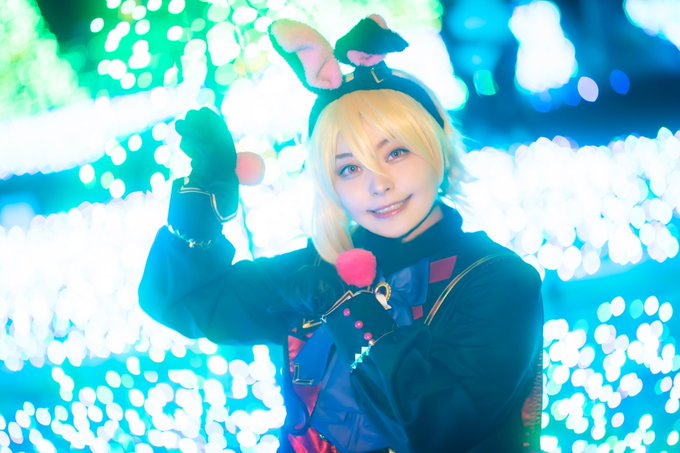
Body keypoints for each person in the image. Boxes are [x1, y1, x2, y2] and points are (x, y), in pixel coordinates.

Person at [138, 15, 543, 453]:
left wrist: (347, 307)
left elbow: (434, 430)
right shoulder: (318, 268)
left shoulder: (499, 281)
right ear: (330, 186)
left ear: (437, 150)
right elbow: (182, 303)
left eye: (396, 152)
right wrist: (203, 201)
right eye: (349, 168)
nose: (378, 184)